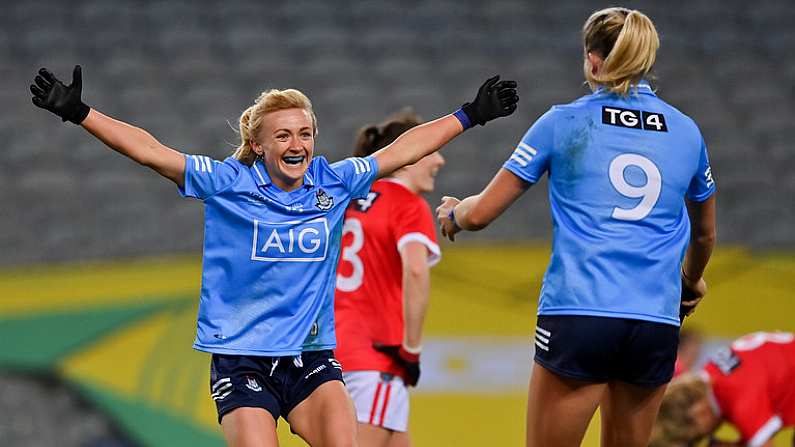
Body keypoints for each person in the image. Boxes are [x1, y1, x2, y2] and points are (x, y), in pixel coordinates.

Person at [29, 66, 518, 447]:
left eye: (304, 133)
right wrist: (81, 112)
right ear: (257, 145)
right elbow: (151, 151)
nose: (296, 144)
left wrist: (469, 114)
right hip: (242, 359)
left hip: (310, 356)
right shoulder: (227, 183)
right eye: (282, 135)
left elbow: (403, 149)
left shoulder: (334, 181)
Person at [435, 7, 717, 447]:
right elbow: (704, 235)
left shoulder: (563, 121)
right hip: (654, 322)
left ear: (592, 59)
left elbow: (482, 213)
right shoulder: (687, 132)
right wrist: (690, 280)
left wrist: (454, 214)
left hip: (580, 312)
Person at [334, 109, 443, 447]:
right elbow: (415, 268)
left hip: (334, 354)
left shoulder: (344, 201)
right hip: (375, 358)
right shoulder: (408, 205)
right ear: (407, 157)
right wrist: (410, 348)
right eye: (430, 150)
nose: (439, 160)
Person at [651, 332, 795, 447]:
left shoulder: (738, 399)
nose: (701, 439)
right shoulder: (712, 373)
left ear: (698, 412)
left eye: (693, 438)